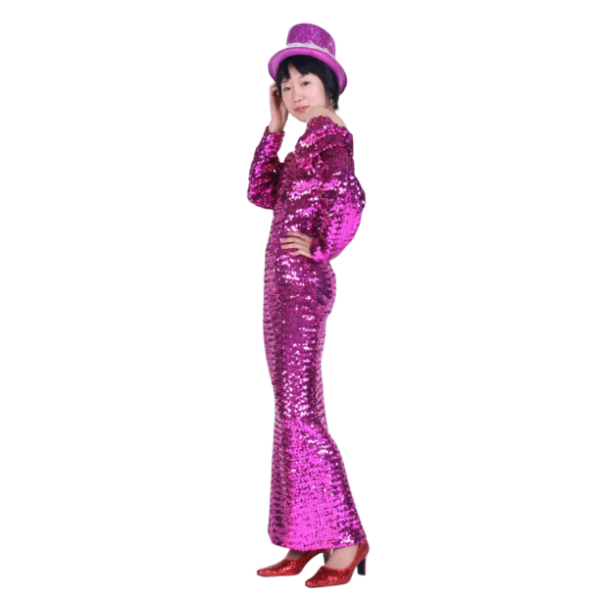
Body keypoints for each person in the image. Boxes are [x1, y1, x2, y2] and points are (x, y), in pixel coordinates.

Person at [247, 23, 370, 590]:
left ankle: (344, 539)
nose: (296, 93)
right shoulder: (303, 142)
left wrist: (320, 247)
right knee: (286, 410)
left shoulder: (330, 137)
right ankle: (304, 534)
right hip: (280, 287)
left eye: (306, 82)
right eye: (287, 85)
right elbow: (260, 193)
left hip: (301, 285)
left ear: (329, 87)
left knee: (300, 411)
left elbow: (351, 198)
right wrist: (273, 130)